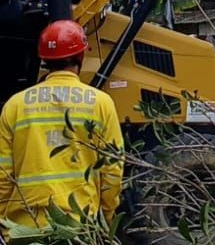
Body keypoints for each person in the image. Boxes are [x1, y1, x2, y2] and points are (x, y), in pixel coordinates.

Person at [0, 20, 124, 233]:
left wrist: (5, 223)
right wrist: (106, 216)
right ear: (81, 56)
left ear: (43, 60)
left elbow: (3, 175)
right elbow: (112, 169)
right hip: (80, 226)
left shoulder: (15, 105)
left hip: (26, 229)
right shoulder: (101, 103)